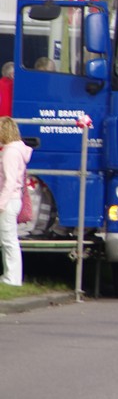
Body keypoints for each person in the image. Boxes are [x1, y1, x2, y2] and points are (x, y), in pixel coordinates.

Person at [0, 116, 33, 287]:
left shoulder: (9, 153)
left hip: (8, 200)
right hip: (14, 199)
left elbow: (9, 181)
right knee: (9, 240)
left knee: (8, 240)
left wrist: (1, 203)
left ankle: (11, 278)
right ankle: (11, 276)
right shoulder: (17, 150)